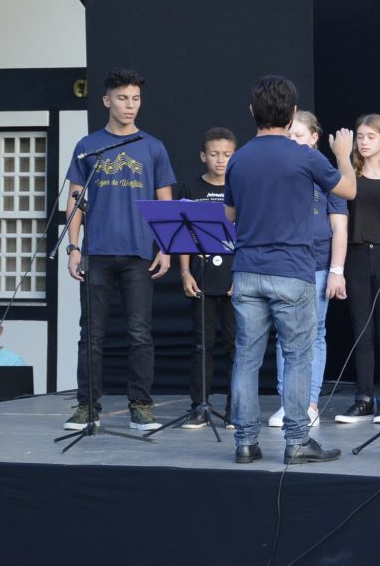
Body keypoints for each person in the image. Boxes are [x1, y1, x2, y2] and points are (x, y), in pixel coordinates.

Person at [225, 74, 356, 465]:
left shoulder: (238, 158)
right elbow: (348, 190)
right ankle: (297, 440)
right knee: (298, 355)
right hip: (292, 270)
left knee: (246, 358)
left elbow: (229, 216)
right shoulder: (305, 156)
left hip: (247, 269)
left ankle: (245, 442)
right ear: (292, 112)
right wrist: (344, 155)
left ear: (252, 111)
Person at [63, 67, 176, 430]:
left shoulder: (153, 146)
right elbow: (75, 201)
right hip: (97, 252)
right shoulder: (88, 146)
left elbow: (165, 202)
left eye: (136, 98)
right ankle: (87, 406)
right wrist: (74, 247)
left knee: (140, 334)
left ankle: (141, 405)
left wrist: (166, 247)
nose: (130, 105)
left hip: (139, 253)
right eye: (123, 98)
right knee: (91, 334)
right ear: (106, 100)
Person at [266, 112, 347, 429]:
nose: (292, 141)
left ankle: (309, 403)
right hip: (285, 262)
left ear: (314, 138)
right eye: (288, 136)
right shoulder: (280, 170)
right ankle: (288, 403)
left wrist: (336, 270)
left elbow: (339, 227)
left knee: (315, 333)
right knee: (284, 333)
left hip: (317, 263)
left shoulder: (327, 173)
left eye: (298, 135)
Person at [335, 115, 380, 426]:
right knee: (362, 330)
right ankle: (363, 398)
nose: (364, 142)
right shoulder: (351, 175)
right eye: (360, 136)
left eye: (371, 137)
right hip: (356, 255)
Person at [178, 127, 237, 428]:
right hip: (202, 277)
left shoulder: (240, 187)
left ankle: (235, 407)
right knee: (202, 345)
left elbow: (248, 234)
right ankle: (200, 405)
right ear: (203, 156)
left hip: (233, 278)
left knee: (235, 346)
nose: (220, 160)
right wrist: (185, 271)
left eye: (227, 154)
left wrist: (241, 275)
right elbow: (182, 234)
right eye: (214, 154)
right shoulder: (191, 188)